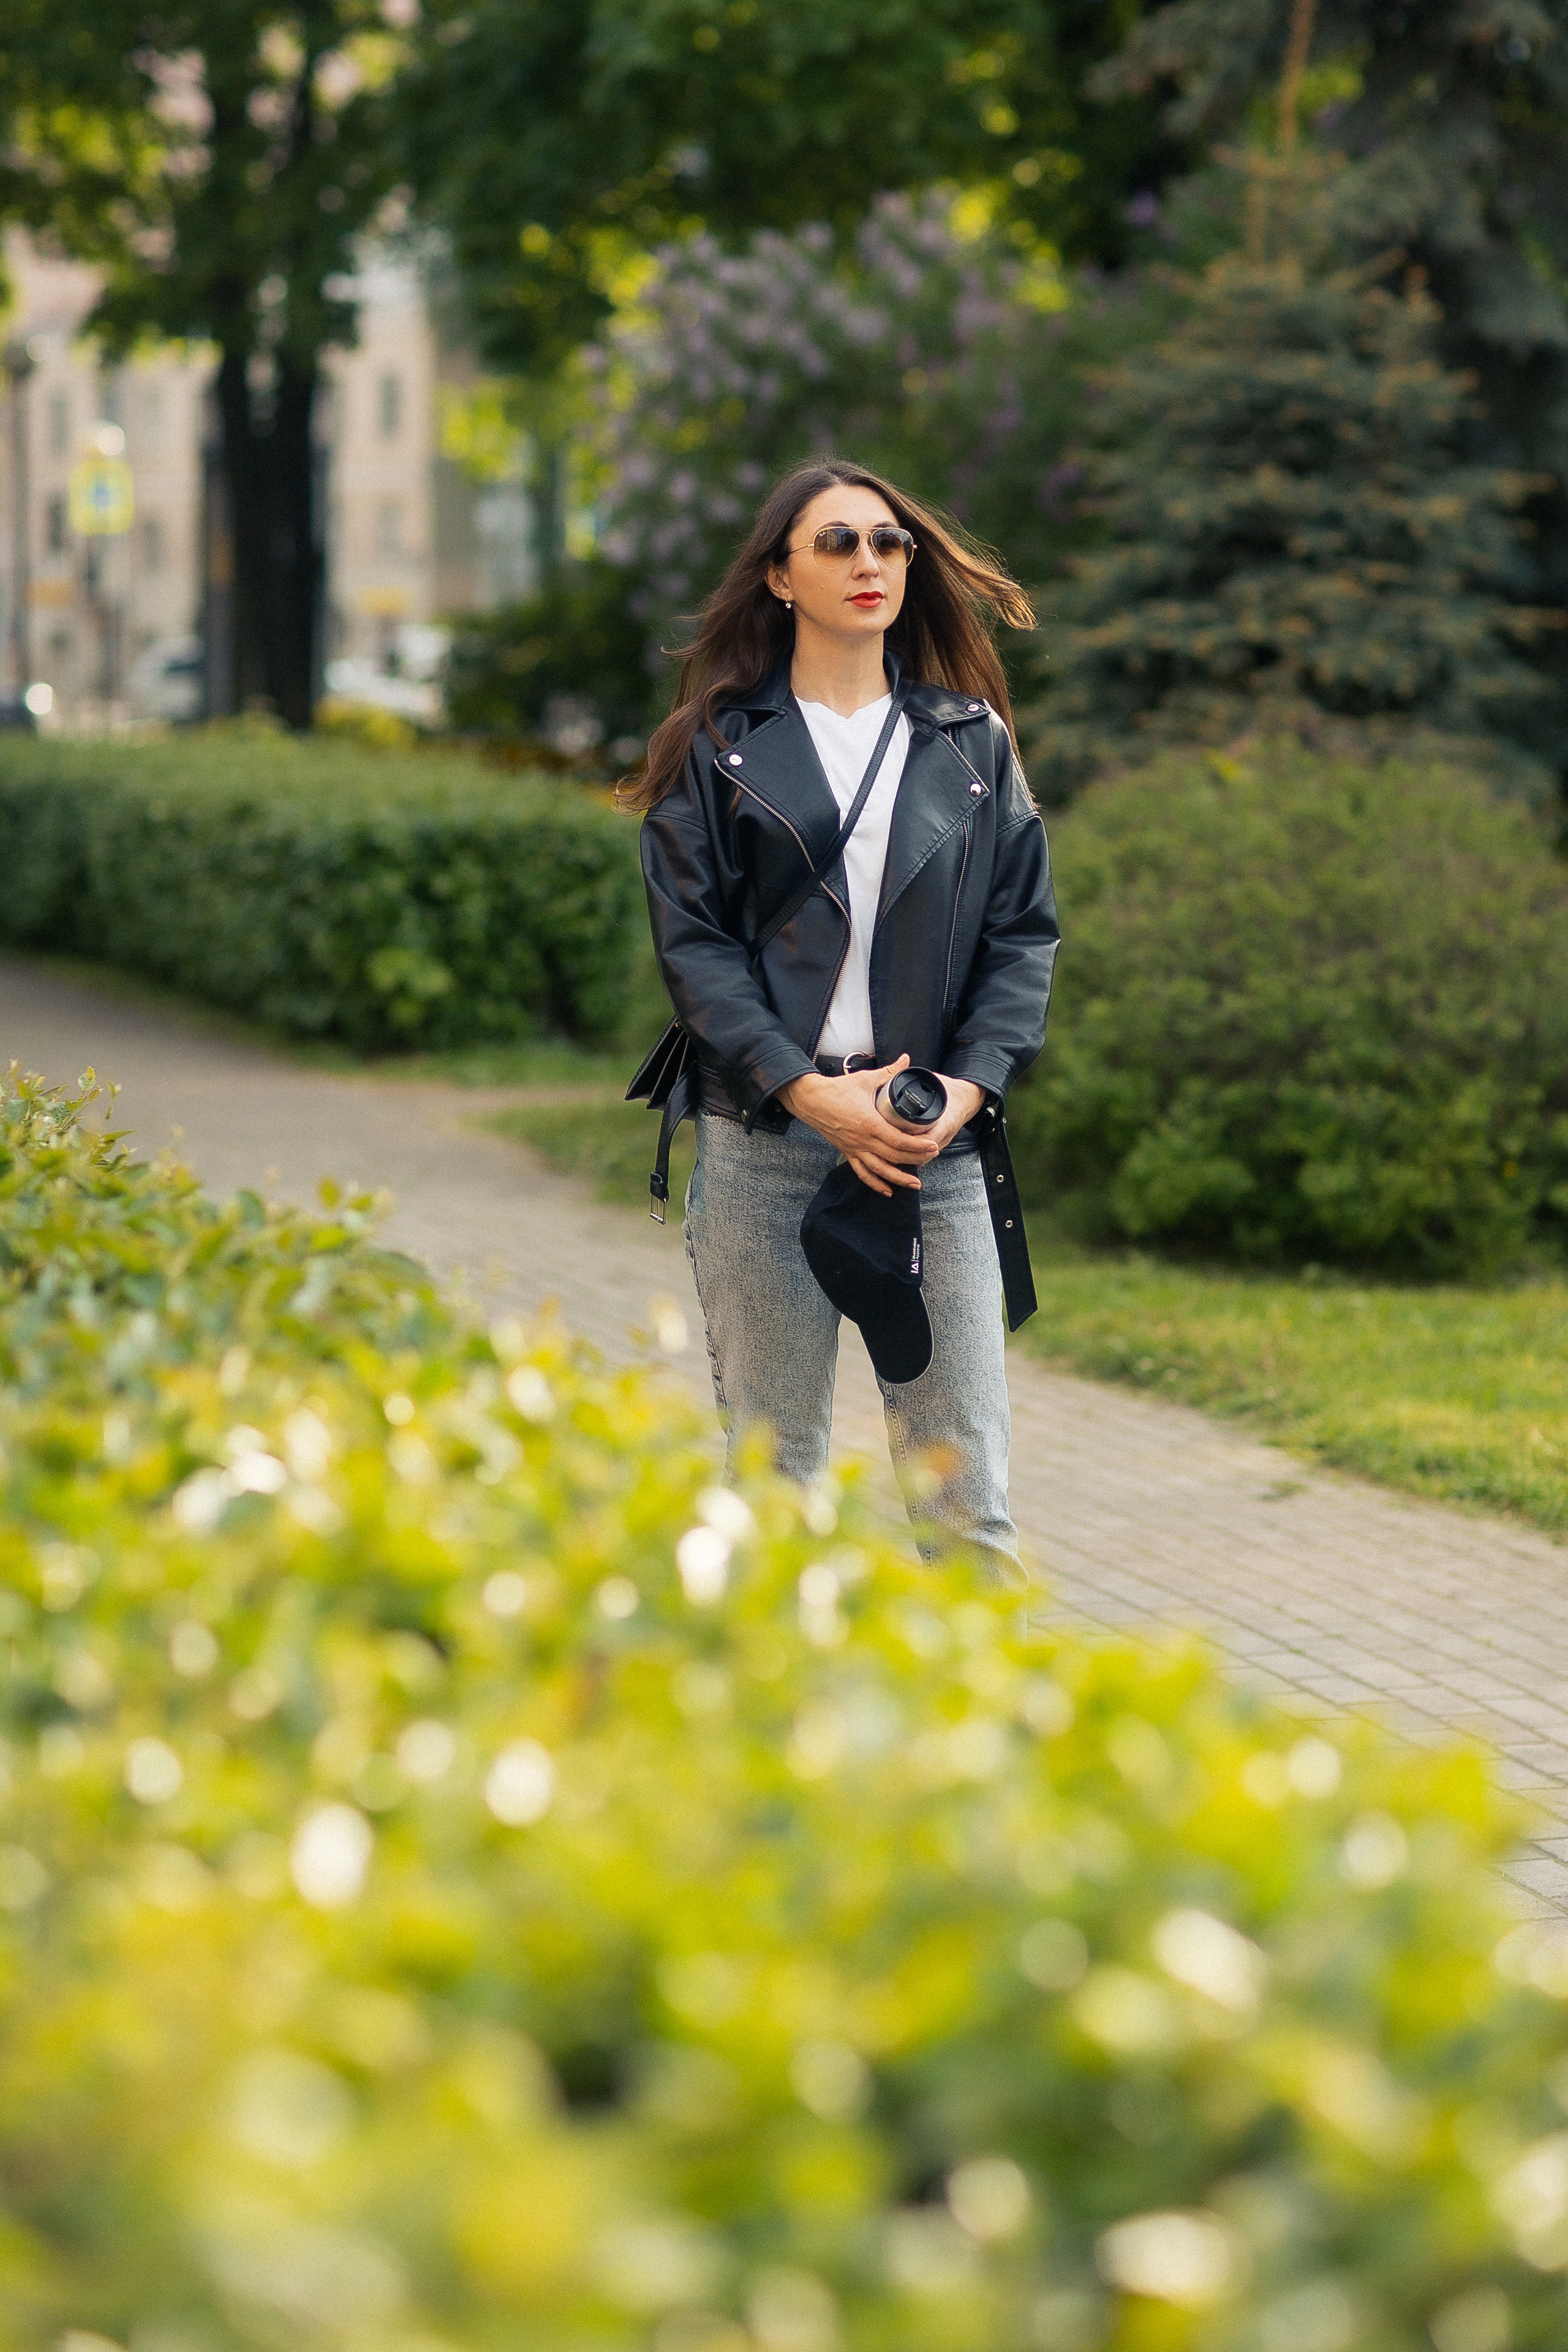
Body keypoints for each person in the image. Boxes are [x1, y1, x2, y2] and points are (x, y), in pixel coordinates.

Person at [624, 458, 1058, 1567]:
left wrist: (966, 1089)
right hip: (766, 1141)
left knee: (966, 1504)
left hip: (928, 1150)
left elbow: (1022, 936)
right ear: (779, 577)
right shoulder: (719, 745)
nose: (871, 561)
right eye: (837, 542)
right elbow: (696, 949)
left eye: (888, 542)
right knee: (776, 1490)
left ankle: (987, 1692)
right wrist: (804, 1091)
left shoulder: (969, 741)